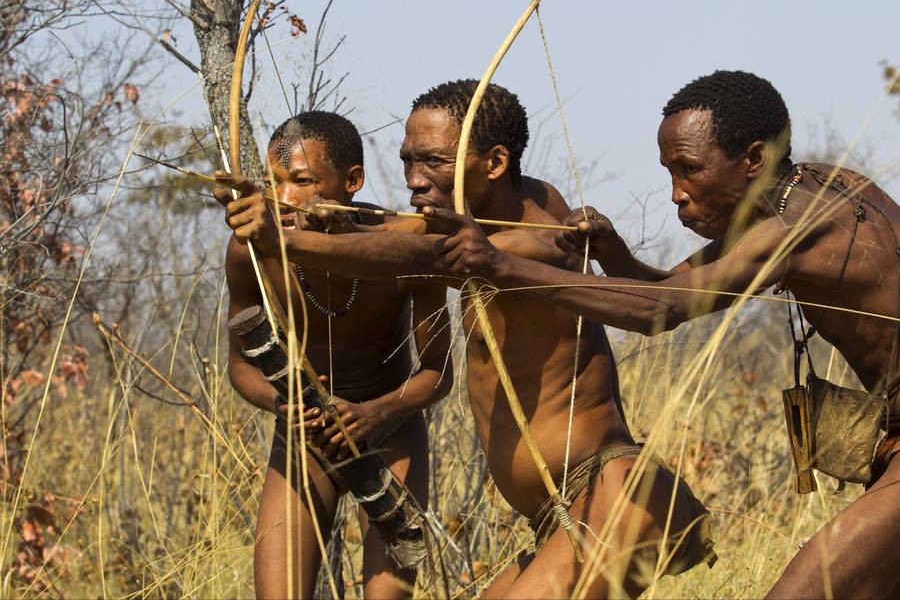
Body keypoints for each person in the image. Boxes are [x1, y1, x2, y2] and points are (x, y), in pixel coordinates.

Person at [430, 70, 900, 598]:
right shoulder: (814, 188)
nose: (676, 192)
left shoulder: (799, 226)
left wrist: (499, 266)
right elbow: (664, 285)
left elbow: (662, 311)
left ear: (753, 159)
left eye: (689, 170)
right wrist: (612, 251)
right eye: (669, 172)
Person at [218, 80, 717, 599]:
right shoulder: (502, 212)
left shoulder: (543, 239)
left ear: (495, 163)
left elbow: (424, 256)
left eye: (432, 161)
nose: (413, 180)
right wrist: (289, 214)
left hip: (614, 496)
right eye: (408, 160)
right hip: (561, 516)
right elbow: (395, 236)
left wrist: (285, 239)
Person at [222, 111, 453, 600]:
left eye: (303, 182)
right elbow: (239, 364)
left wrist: (375, 413)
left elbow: (437, 372)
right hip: (304, 435)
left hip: (389, 431)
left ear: (352, 181)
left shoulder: (406, 243)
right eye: (273, 182)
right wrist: (277, 403)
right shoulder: (252, 250)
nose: (283, 199)